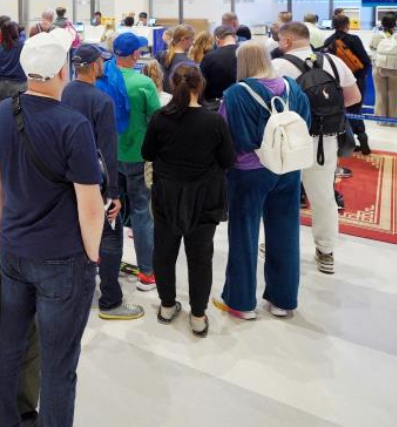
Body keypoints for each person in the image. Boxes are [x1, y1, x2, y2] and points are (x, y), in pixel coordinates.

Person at [0, 28, 104, 427]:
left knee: (9, 347)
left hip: (13, 251)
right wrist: (93, 256)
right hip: (63, 259)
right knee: (58, 363)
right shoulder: (73, 125)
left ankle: (3, 419)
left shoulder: (2, 112)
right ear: (60, 72)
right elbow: (91, 208)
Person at [215, 43, 311, 321]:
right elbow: (304, 123)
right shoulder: (293, 88)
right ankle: (283, 300)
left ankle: (241, 301)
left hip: (248, 173)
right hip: (289, 167)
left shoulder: (236, 93)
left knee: (244, 234)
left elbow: (226, 136)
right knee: (286, 232)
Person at [142, 65, 234, 335]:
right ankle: (197, 315)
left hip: (166, 196)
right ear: (200, 85)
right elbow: (228, 160)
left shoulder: (161, 118)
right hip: (205, 199)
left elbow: (146, 151)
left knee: (164, 251)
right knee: (200, 257)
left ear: (173, 84)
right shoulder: (214, 120)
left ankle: (167, 306)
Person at [272, 21, 361, 275]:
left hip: (288, 140)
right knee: (323, 196)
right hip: (325, 139)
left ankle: (278, 243)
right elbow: (354, 97)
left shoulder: (278, 66)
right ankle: (325, 251)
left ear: (287, 41)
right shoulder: (333, 62)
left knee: (283, 195)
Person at [62, 43, 142, 321]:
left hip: (66, 179)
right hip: (95, 180)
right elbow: (109, 151)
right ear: (96, 65)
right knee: (111, 237)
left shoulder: (63, 93)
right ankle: (110, 299)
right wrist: (115, 194)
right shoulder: (101, 101)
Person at [112, 32, 162, 291]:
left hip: (109, 156)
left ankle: (109, 264)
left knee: (112, 209)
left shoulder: (102, 79)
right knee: (142, 213)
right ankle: (147, 273)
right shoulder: (144, 83)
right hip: (138, 157)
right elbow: (157, 119)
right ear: (135, 54)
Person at [323, 13, 372, 155]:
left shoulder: (328, 41)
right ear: (347, 25)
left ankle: (343, 143)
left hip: (335, 83)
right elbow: (365, 61)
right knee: (355, 111)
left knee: (339, 111)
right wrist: (362, 75)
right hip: (355, 81)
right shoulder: (353, 39)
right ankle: (362, 142)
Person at [369, 12, 397, 118]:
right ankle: (393, 120)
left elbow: (371, 48)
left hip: (378, 68)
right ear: (395, 23)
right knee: (394, 95)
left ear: (382, 23)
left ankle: (381, 119)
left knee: (380, 95)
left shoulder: (377, 36)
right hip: (396, 69)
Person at [0, 19, 28, 103]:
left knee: (5, 112)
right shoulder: (23, 45)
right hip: (19, 85)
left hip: (2, 86)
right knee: (18, 113)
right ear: (15, 31)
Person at [201, 25, 239, 103]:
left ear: (217, 39)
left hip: (216, 105)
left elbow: (202, 84)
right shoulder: (246, 53)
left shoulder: (209, 57)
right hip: (242, 103)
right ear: (235, 37)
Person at [161, 25, 196, 93]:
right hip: (179, 100)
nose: (193, 43)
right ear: (183, 40)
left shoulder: (163, 55)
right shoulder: (187, 63)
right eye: (192, 39)